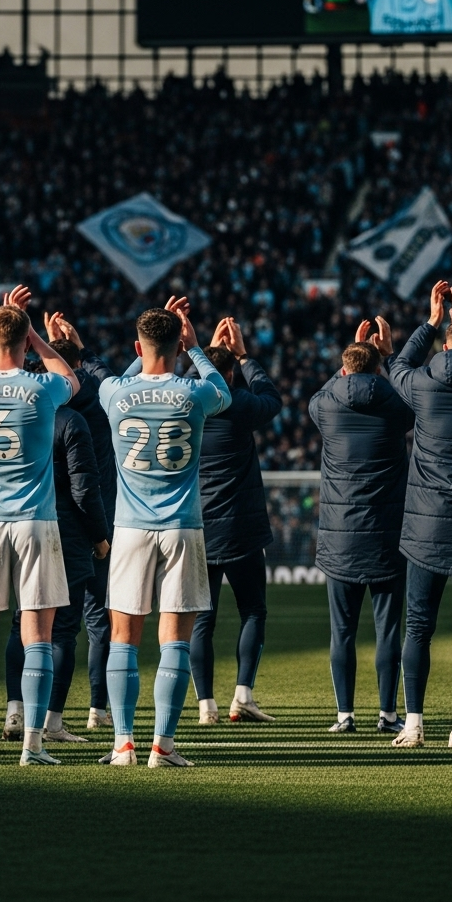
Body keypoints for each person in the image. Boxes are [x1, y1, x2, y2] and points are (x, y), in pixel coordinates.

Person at [98, 298, 231, 768]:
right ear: (179, 345)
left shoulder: (114, 391)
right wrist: (195, 349)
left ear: (138, 345)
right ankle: (162, 747)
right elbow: (223, 391)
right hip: (181, 527)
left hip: (130, 529)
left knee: (123, 637)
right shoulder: (194, 393)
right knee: (174, 638)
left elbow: (134, 374)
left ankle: (122, 745)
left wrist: (153, 351)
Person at [0, 284, 79, 766]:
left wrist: (8, 331)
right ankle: (33, 746)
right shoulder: (43, 387)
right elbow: (71, 378)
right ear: (26, 342)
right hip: (35, 523)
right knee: (38, 635)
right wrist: (38, 340)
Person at [387, 280, 452, 748]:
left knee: (418, 627)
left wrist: (431, 322)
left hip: (425, 527)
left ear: (445, 344)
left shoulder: (423, 385)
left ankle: (413, 724)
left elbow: (397, 364)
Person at [309, 317, 413, 734]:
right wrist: (386, 357)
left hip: (339, 536)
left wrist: (351, 360)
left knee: (342, 632)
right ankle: (388, 716)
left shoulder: (325, 405)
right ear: (377, 369)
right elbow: (409, 394)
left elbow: (322, 391)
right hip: (388, 535)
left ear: (345, 367)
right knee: (389, 631)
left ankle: (344, 716)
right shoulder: (396, 406)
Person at [2, 362, 110, 745]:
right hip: (66, 533)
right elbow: (84, 489)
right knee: (62, 630)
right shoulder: (70, 420)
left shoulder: (11, 418)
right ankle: (50, 721)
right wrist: (100, 536)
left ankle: (15, 710)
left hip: (20, 527)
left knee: (22, 623)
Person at [187, 317, 282, 725]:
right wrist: (242, 355)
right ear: (230, 375)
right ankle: (242, 695)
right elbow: (271, 399)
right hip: (240, 530)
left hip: (197, 527)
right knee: (254, 612)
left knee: (201, 620)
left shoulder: (187, 402)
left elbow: (193, 384)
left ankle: (205, 704)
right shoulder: (239, 404)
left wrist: (200, 355)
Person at [41, 313, 119, 730]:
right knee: (97, 621)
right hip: (97, 523)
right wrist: (82, 349)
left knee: (39, 623)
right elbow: (106, 376)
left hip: (42, 524)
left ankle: (26, 711)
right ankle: (97, 710)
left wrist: (39, 344)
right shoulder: (103, 398)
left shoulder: (38, 406)